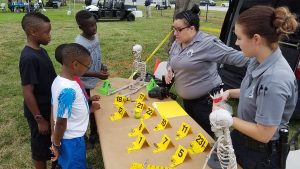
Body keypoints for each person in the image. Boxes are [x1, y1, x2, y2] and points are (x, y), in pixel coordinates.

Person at [219, 6, 298, 168]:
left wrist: (228, 118)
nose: (236, 42)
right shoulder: (258, 60)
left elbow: (264, 133)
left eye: (239, 38)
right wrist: (230, 93)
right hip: (243, 137)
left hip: (260, 154)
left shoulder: (275, 79)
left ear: (256, 39)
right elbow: (254, 93)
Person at [165, 5, 249, 137]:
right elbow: (172, 57)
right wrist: (170, 68)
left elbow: (235, 57)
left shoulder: (208, 44)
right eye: (173, 29)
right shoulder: (178, 41)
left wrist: (262, 60)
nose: (175, 33)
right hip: (188, 101)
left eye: (178, 29)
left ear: (192, 28)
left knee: (207, 135)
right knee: (193, 133)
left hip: (206, 102)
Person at [19, 12, 56, 169]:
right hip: (38, 112)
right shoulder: (29, 58)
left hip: (48, 108)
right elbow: (27, 92)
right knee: (40, 148)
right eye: (46, 33)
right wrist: (40, 119)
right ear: (33, 32)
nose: (49, 36)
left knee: (50, 143)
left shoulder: (41, 51)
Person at [50, 43, 92, 169]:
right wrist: (56, 145)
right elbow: (61, 122)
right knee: (74, 164)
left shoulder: (58, 81)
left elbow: (53, 109)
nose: (87, 69)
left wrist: (54, 138)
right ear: (75, 64)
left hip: (67, 139)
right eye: (87, 66)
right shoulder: (68, 90)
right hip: (72, 141)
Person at [75, 10, 109, 147]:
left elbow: (96, 54)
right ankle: (92, 135)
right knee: (89, 111)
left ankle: (97, 132)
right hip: (86, 84)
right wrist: (96, 74)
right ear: (81, 27)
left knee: (98, 109)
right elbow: (77, 71)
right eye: (90, 26)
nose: (94, 28)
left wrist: (101, 65)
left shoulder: (95, 36)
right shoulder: (79, 44)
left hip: (96, 82)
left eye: (95, 25)